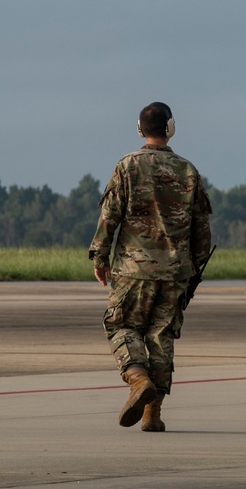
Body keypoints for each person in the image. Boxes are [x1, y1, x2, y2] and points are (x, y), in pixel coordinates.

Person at [88, 102, 212, 431]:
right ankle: (152, 414)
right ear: (170, 128)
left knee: (121, 326)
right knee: (161, 336)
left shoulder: (127, 166)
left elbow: (109, 216)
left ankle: (137, 378)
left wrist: (99, 257)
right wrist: (193, 267)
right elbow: (202, 230)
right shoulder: (188, 170)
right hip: (175, 272)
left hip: (133, 269)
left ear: (140, 129)